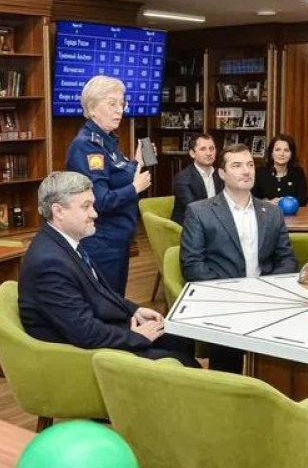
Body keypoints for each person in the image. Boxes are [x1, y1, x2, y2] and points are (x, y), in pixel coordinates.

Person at [19, 171, 198, 366]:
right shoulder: (49, 263)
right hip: (87, 357)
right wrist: (136, 337)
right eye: (86, 206)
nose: (94, 213)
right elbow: (85, 333)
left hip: (103, 329)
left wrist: (134, 310)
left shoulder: (66, 243)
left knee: (181, 338)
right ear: (58, 211)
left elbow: (100, 293)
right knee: (183, 362)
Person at [180, 144, 298, 373]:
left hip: (268, 301)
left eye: (250, 165)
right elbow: (192, 266)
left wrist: (269, 290)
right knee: (227, 376)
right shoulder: (200, 212)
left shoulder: (272, 212)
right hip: (223, 305)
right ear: (222, 174)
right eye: (236, 165)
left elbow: (287, 259)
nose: (246, 171)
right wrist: (234, 294)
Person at [65, 75, 150, 294]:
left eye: (122, 104)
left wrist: (137, 162)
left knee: (116, 299)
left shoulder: (108, 140)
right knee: (107, 301)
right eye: (112, 104)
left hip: (118, 238)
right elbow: (100, 200)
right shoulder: (88, 146)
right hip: (101, 241)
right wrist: (135, 188)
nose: (119, 110)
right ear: (92, 108)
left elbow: (117, 174)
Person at [170, 133, 221, 224]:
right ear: (192, 154)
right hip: (191, 224)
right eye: (203, 149)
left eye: (212, 148)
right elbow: (194, 208)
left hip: (216, 221)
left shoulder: (221, 174)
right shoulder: (182, 178)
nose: (209, 153)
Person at [252, 133, 308, 205]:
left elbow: (304, 199)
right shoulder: (260, 172)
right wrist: (268, 203)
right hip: (265, 211)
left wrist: (283, 202)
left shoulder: (297, 172)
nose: (282, 154)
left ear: (291, 154)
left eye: (286, 150)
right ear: (271, 153)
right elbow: (251, 198)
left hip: (292, 211)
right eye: (277, 150)